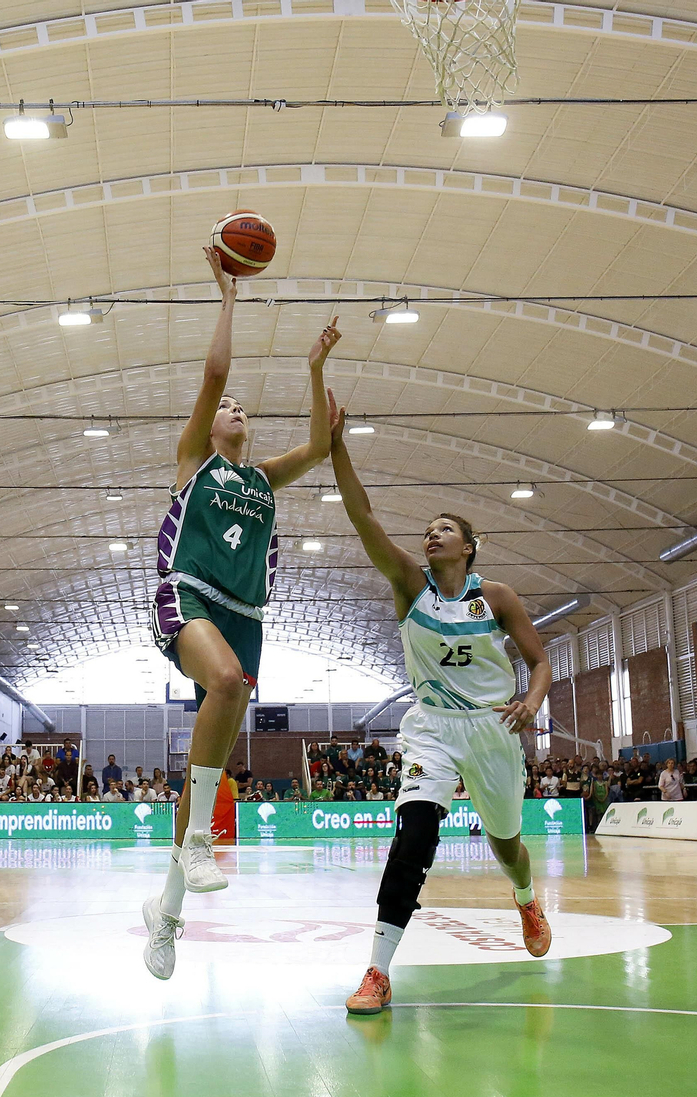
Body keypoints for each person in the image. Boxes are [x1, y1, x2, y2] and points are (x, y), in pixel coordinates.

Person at [141, 254, 339, 981]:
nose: (237, 412)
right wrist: (228, 299)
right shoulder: (197, 462)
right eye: (232, 411)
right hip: (188, 594)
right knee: (224, 680)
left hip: (246, 612)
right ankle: (195, 847)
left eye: (245, 412)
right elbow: (214, 377)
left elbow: (319, 446)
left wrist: (314, 370)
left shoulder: (262, 477)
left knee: (211, 767)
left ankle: (163, 918)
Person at [328, 406, 553, 1016]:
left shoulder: (497, 597)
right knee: (415, 835)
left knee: (507, 845)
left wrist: (531, 703)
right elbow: (362, 515)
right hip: (430, 725)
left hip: (492, 727)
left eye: (445, 529)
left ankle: (526, 897)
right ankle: (377, 971)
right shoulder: (409, 583)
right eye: (428, 528)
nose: (432, 534)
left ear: (470, 548)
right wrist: (335, 446)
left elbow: (540, 662)